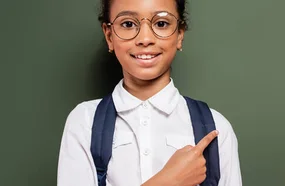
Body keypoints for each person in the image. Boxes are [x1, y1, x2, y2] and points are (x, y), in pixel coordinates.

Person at [56, 0, 242, 185]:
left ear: (179, 34)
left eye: (161, 23)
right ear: (109, 36)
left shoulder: (215, 127)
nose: (145, 39)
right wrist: (169, 182)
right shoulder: (84, 122)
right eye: (128, 24)